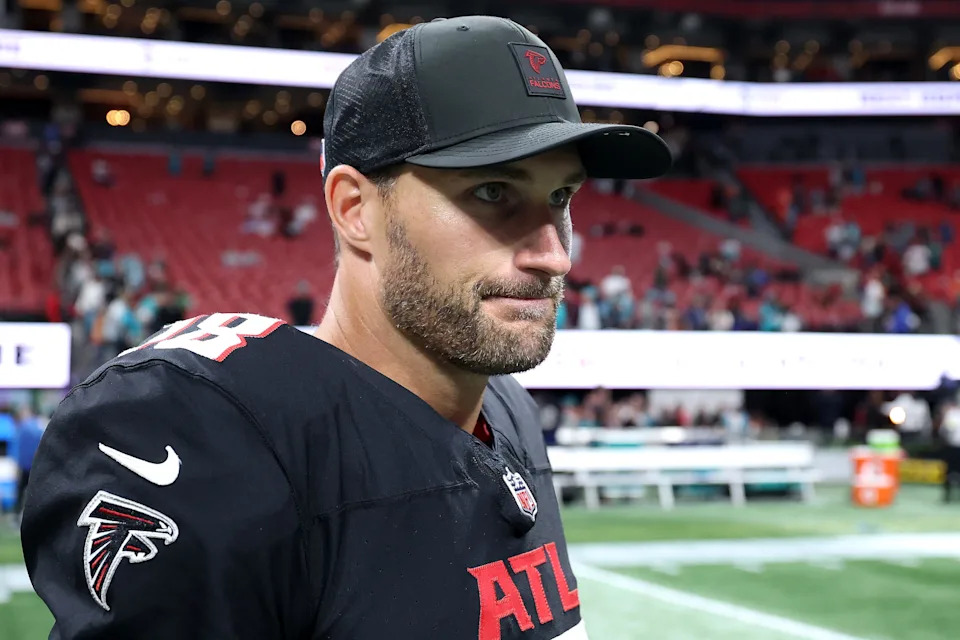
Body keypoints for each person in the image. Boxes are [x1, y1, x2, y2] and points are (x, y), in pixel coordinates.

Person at [21, 15, 670, 640]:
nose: (554, 255)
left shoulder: (506, 408)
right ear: (355, 210)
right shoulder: (219, 436)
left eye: (561, 199)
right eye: (494, 193)